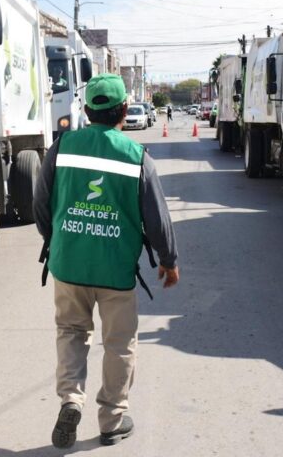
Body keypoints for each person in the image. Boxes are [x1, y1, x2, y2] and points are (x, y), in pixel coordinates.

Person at [33, 73, 179, 449]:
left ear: (85, 111)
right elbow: (156, 217)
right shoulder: (136, 156)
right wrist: (168, 260)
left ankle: (70, 400)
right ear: (124, 111)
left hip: (70, 265)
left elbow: (41, 203)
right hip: (115, 271)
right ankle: (112, 420)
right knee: (119, 343)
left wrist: (59, 240)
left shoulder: (62, 147)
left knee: (71, 332)